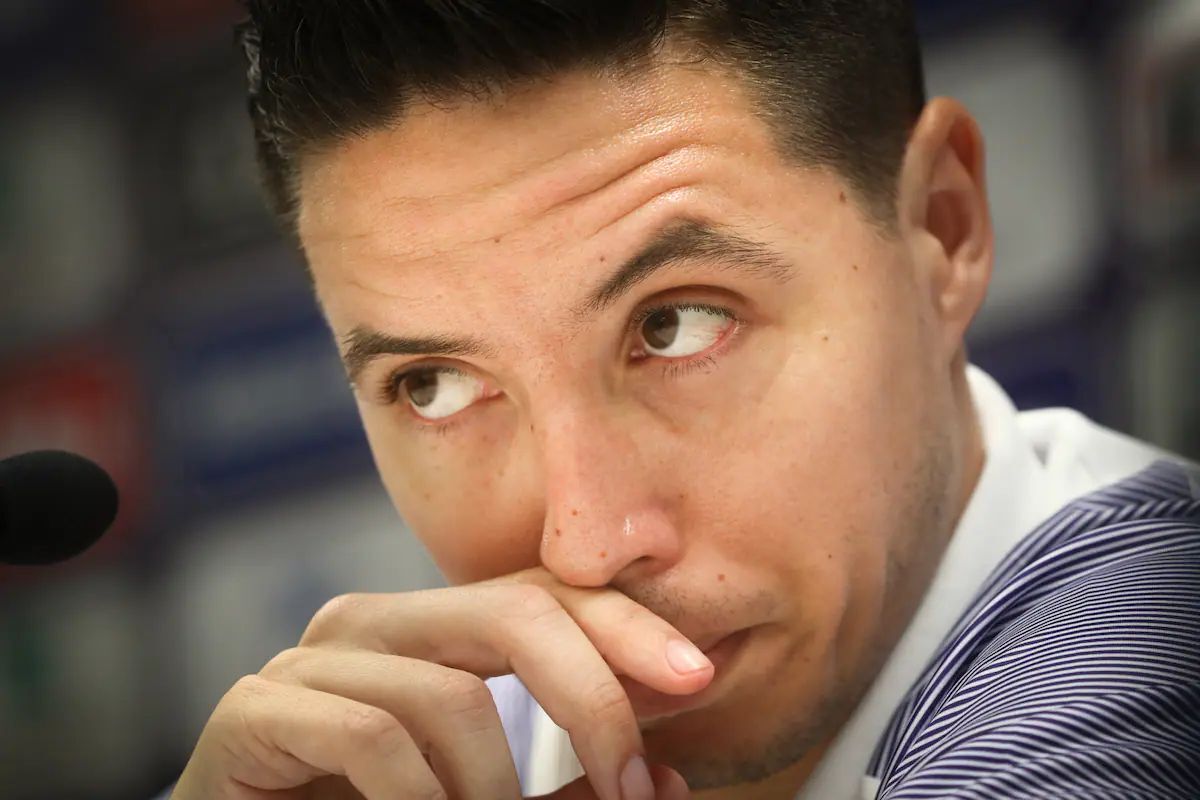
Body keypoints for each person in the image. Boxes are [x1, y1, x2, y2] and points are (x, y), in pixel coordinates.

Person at [166, 2, 1200, 799]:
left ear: (942, 227)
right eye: (434, 386)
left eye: (678, 325)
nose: (585, 544)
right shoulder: (416, 753)